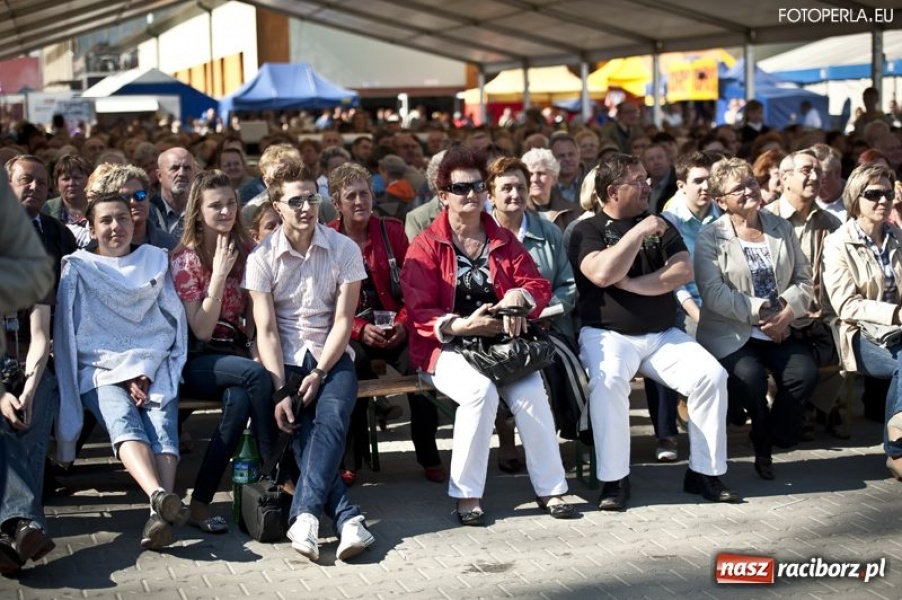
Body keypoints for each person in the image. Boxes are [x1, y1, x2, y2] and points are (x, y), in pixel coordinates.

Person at [402, 146, 574, 525]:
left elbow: (537, 283)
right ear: (443, 195)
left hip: (500, 344)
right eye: (461, 188)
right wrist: (459, 325)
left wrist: (520, 295)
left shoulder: (501, 238)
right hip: (444, 346)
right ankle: (467, 496)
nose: (472, 194)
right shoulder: (426, 245)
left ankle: (552, 489)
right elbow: (418, 312)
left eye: (478, 186)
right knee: (479, 393)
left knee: (531, 393)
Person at [568, 153, 740, 511]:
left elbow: (681, 271)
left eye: (647, 178)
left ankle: (704, 473)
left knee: (711, 376)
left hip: (662, 335)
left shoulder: (660, 223)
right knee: (610, 380)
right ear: (613, 191)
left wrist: (629, 284)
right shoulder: (588, 229)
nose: (648, 185)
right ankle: (614, 480)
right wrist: (638, 233)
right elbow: (600, 273)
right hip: (606, 334)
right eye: (639, 180)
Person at [244, 162, 375, 563]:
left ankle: (304, 517)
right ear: (277, 206)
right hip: (281, 361)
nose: (305, 207)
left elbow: (343, 321)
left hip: (331, 355)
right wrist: (281, 388)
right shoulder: (261, 257)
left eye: (311, 198)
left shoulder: (344, 249)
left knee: (331, 420)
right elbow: (265, 331)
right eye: (295, 200)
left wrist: (320, 372)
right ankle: (348, 518)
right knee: (299, 430)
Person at [54, 193, 189, 550]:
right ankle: (161, 497)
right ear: (92, 227)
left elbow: (169, 324)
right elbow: (74, 334)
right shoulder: (78, 267)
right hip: (99, 368)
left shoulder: (155, 261)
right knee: (122, 419)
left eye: (122, 219)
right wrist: (123, 371)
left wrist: (144, 368)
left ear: (133, 221)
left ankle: (159, 512)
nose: (116, 227)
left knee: (162, 421)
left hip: (152, 363)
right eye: (106, 221)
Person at [694, 158, 818, 480]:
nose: (750, 191)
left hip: (780, 328)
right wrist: (763, 311)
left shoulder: (780, 227)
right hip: (730, 331)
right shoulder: (710, 238)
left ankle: (775, 433)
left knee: (803, 373)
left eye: (751, 182)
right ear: (721, 201)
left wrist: (787, 313)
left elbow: (805, 279)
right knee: (750, 378)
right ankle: (761, 438)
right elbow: (714, 294)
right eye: (739, 188)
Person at [169, 170, 278, 533]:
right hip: (198, 358)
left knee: (239, 402)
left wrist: (254, 348)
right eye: (215, 205)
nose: (225, 211)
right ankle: (275, 470)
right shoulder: (185, 259)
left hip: (236, 354)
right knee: (254, 376)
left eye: (230, 203)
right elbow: (199, 327)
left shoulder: (249, 251)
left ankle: (199, 505)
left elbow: (253, 316)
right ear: (198, 212)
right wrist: (218, 275)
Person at [325, 162, 443, 485]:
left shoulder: (391, 232)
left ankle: (429, 454)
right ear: (337, 203)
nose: (360, 201)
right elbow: (323, 303)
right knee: (351, 368)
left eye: (365, 193)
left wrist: (404, 324)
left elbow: (413, 287)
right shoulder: (327, 238)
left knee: (420, 367)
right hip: (350, 328)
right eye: (351, 196)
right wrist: (360, 330)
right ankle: (350, 461)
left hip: (395, 324)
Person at [487, 156, 585, 468]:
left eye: (520, 187)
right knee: (501, 365)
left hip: (547, 326)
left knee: (551, 367)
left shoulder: (549, 232)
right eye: (506, 188)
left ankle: (548, 443)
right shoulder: (480, 237)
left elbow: (568, 285)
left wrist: (541, 312)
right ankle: (507, 440)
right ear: (490, 195)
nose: (514, 194)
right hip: (494, 330)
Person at [822, 164, 902, 480]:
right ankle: (896, 451)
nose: (883, 201)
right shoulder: (838, 242)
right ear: (856, 198)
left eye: (888, 193)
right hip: (857, 333)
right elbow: (846, 305)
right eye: (874, 195)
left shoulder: (897, 237)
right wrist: (895, 314)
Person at [0, 169, 55, 575]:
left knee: (33, 414)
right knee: (4, 424)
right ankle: (25, 523)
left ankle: (16, 531)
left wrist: (29, 391)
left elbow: (40, 336)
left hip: (30, 365)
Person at [521, 148, 580, 233]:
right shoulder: (519, 211)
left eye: (541, 173)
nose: (534, 179)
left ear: (554, 178)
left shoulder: (571, 211)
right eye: (530, 174)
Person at [43, 154, 92, 247]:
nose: (71, 183)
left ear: (90, 180)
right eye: (66, 179)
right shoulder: (46, 209)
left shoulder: (100, 208)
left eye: (77, 178)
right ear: (57, 184)